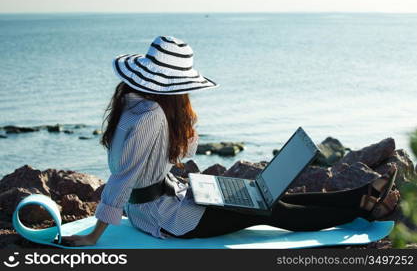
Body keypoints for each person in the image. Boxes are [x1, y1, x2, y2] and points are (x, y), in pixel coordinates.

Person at [61, 36, 400, 246]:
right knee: (268, 211)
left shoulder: (131, 100)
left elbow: (177, 158)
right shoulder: (152, 115)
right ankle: (362, 204)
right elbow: (125, 176)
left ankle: (363, 197)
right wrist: (95, 235)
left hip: (171, 198)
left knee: (262, 197)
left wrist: (188, 122)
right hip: (167, 217)